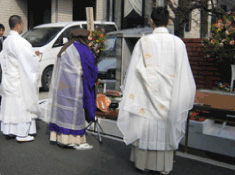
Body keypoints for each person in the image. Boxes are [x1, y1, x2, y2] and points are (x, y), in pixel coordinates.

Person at [117, 7, 196, 174]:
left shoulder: (143, 42)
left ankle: (142, 164)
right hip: (169, 96)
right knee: (164, 130)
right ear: (168, 21)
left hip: (147, 96)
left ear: (151, 21)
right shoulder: (178, 43)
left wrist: (130, 92)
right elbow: (184, 75)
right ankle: (163, 166)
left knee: (146, 127)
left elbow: (133, 73)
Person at [48, 28, 97, 150]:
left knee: (63, 112)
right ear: (83, 38)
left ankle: (59, 137)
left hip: (62, 87)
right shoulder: (83, 50)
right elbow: (91, 68)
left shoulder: (65, 48)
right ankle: (72, 140)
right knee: (74, 113)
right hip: (76, 86)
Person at [0, 15, 41, 142]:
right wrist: (36, 58)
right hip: (19, 79)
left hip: (8, 78)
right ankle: (22, 133)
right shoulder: (21, 42)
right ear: (19, 25)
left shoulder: (6, 41)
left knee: (10, 105)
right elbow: (29, 61)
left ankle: (10, 130)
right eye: (22, 24)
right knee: (22, 105)